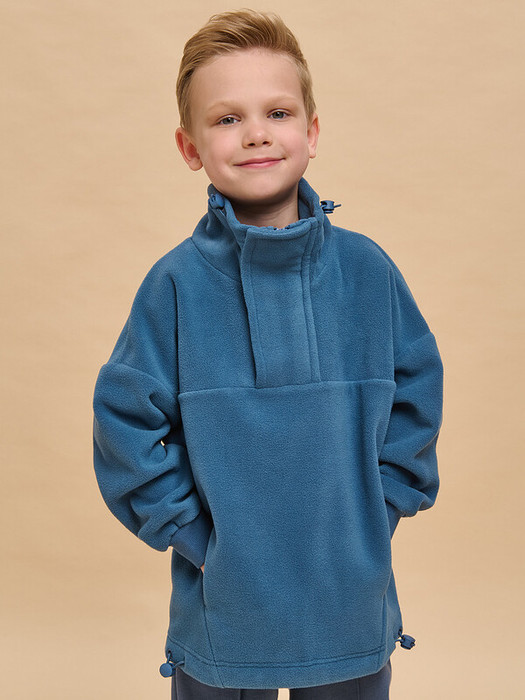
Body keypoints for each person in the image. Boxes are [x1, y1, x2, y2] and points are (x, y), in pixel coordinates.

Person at [92, 9, 444, 699]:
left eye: (277, 112)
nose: (255, 133)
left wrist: (379, 513)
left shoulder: (368, 273)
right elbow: (124, 423)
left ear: (311, 133)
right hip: (224, 615)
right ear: (189, 146)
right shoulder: (173, 285)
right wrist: (195, 538)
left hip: (349, 605)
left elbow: (417, 394)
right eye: (227, 118)